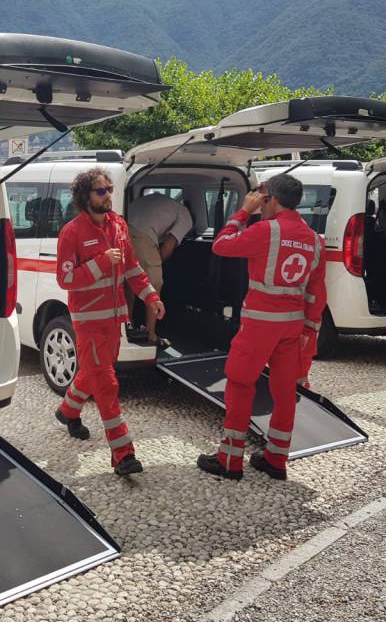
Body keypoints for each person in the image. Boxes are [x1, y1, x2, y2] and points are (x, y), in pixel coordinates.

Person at [197, 173, 326, 482]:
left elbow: (221, 245)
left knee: (240, 385)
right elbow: (316, 293)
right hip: (292, 327)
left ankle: (229, 461)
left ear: (273, 200)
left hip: (259, 325)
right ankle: (276, 459)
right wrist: (309, 333)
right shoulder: (314, 239)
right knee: (284, 393)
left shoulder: (266, 231)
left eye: (263, 198)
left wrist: (243, 212)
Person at [53, 168, 165, 476]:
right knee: (106, 382)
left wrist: (151, 297)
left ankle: (67, 411)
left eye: (110, 189)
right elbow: (65, 279)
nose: (108, 195)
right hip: (88, 322)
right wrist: (102, 263)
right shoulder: (72, 232)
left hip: (114, 319)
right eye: (101, 191)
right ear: (84, 196)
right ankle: (123, 454)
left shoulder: (118, 225)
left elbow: (131, 268)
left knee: (95, 373)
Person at [126, 192, 193, 346]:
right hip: (142, 233)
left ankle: (128, 327)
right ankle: (151, 334)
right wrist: (156, 264)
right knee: (154, 285)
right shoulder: (186, 217)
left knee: (129, 282)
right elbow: (169, 245)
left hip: (122, 227)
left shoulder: (161, 201)